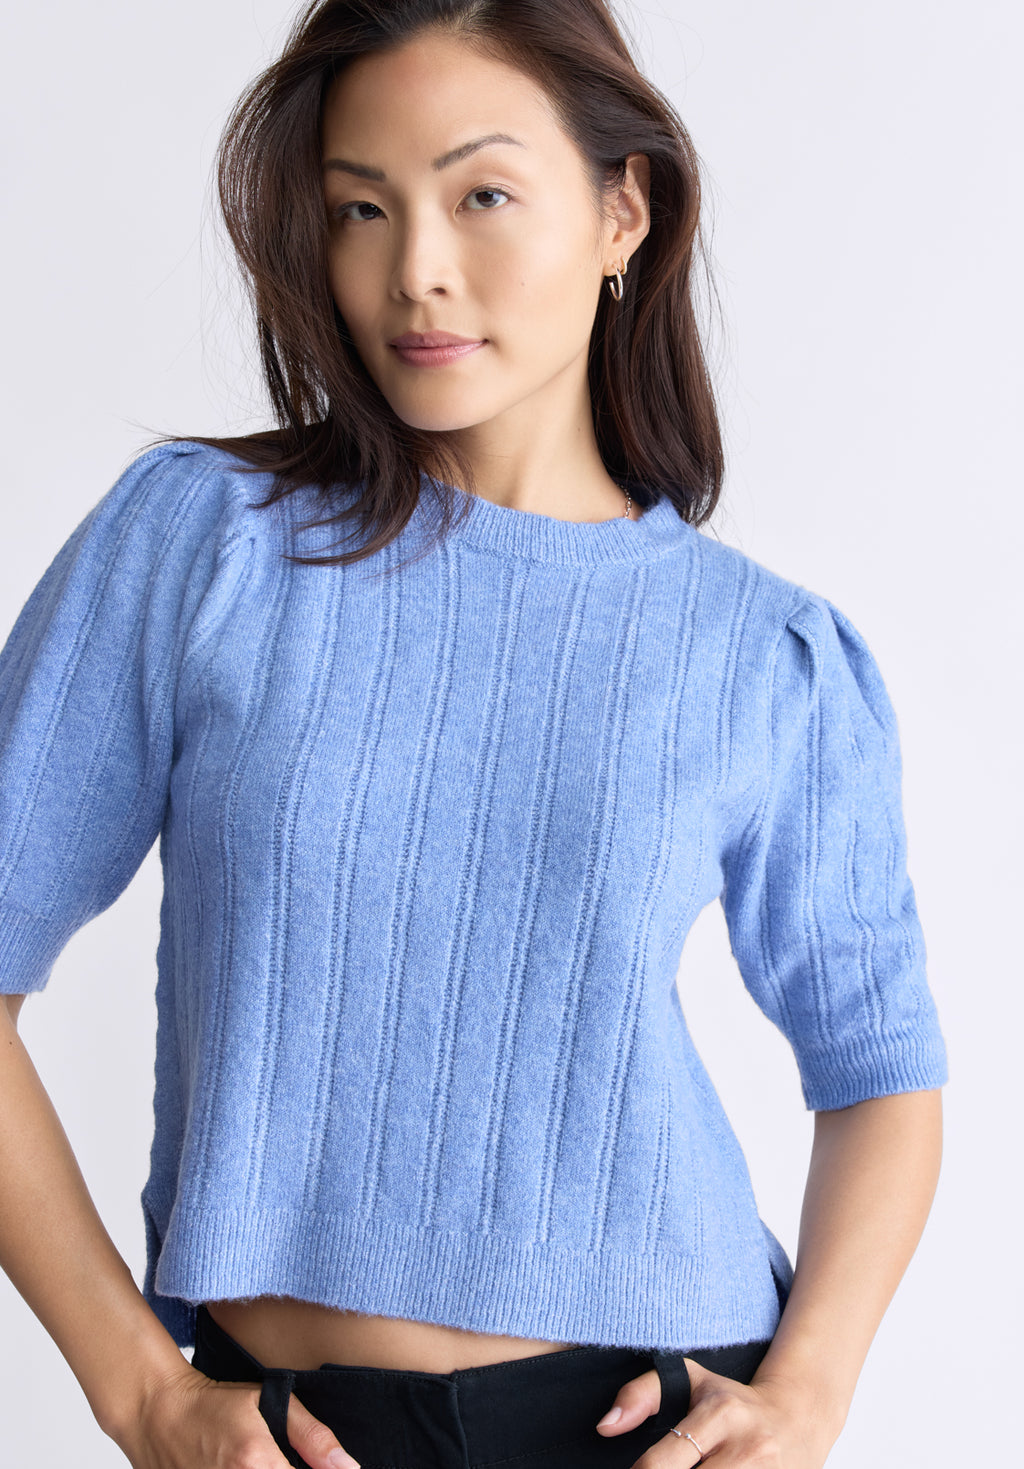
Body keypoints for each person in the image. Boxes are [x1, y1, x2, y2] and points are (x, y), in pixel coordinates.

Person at [0, 1, 948, 1466]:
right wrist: (139, 1392)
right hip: (287, 1432)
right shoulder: (203, 546)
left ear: (624, 211)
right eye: (359, 209)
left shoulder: (761, 651)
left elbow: (880, 1064)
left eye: (481, 195)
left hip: (644, 1417)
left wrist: (810, 1388)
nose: (415, 272)